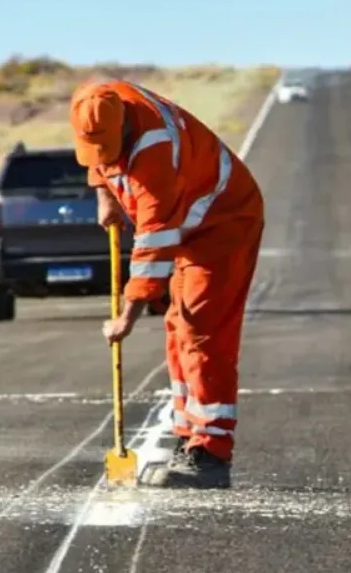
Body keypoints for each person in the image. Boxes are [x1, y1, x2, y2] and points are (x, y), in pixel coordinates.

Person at [68, 78, 265, 488]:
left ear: (124, 127)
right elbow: (98, 161)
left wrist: (126, 317)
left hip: (223, 221)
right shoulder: (94, 101)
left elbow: (153, 245)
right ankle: (188, 434)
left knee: (202, 330)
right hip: (187, 218)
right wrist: (106, 197)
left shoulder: (154, 154)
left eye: (109, 148)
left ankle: (211, 453)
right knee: (178, 328)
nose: (103, 158)